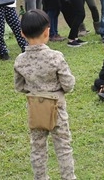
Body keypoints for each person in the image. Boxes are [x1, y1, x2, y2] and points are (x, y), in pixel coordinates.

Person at [14, 9, 76, 180]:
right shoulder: (56, 57)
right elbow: (69, 84)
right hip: (57, 108)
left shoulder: (20, 60)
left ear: (22, 33)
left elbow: (19, 87)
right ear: (47, 31)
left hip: (35, 108)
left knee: (38, 147)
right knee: (63, 147)